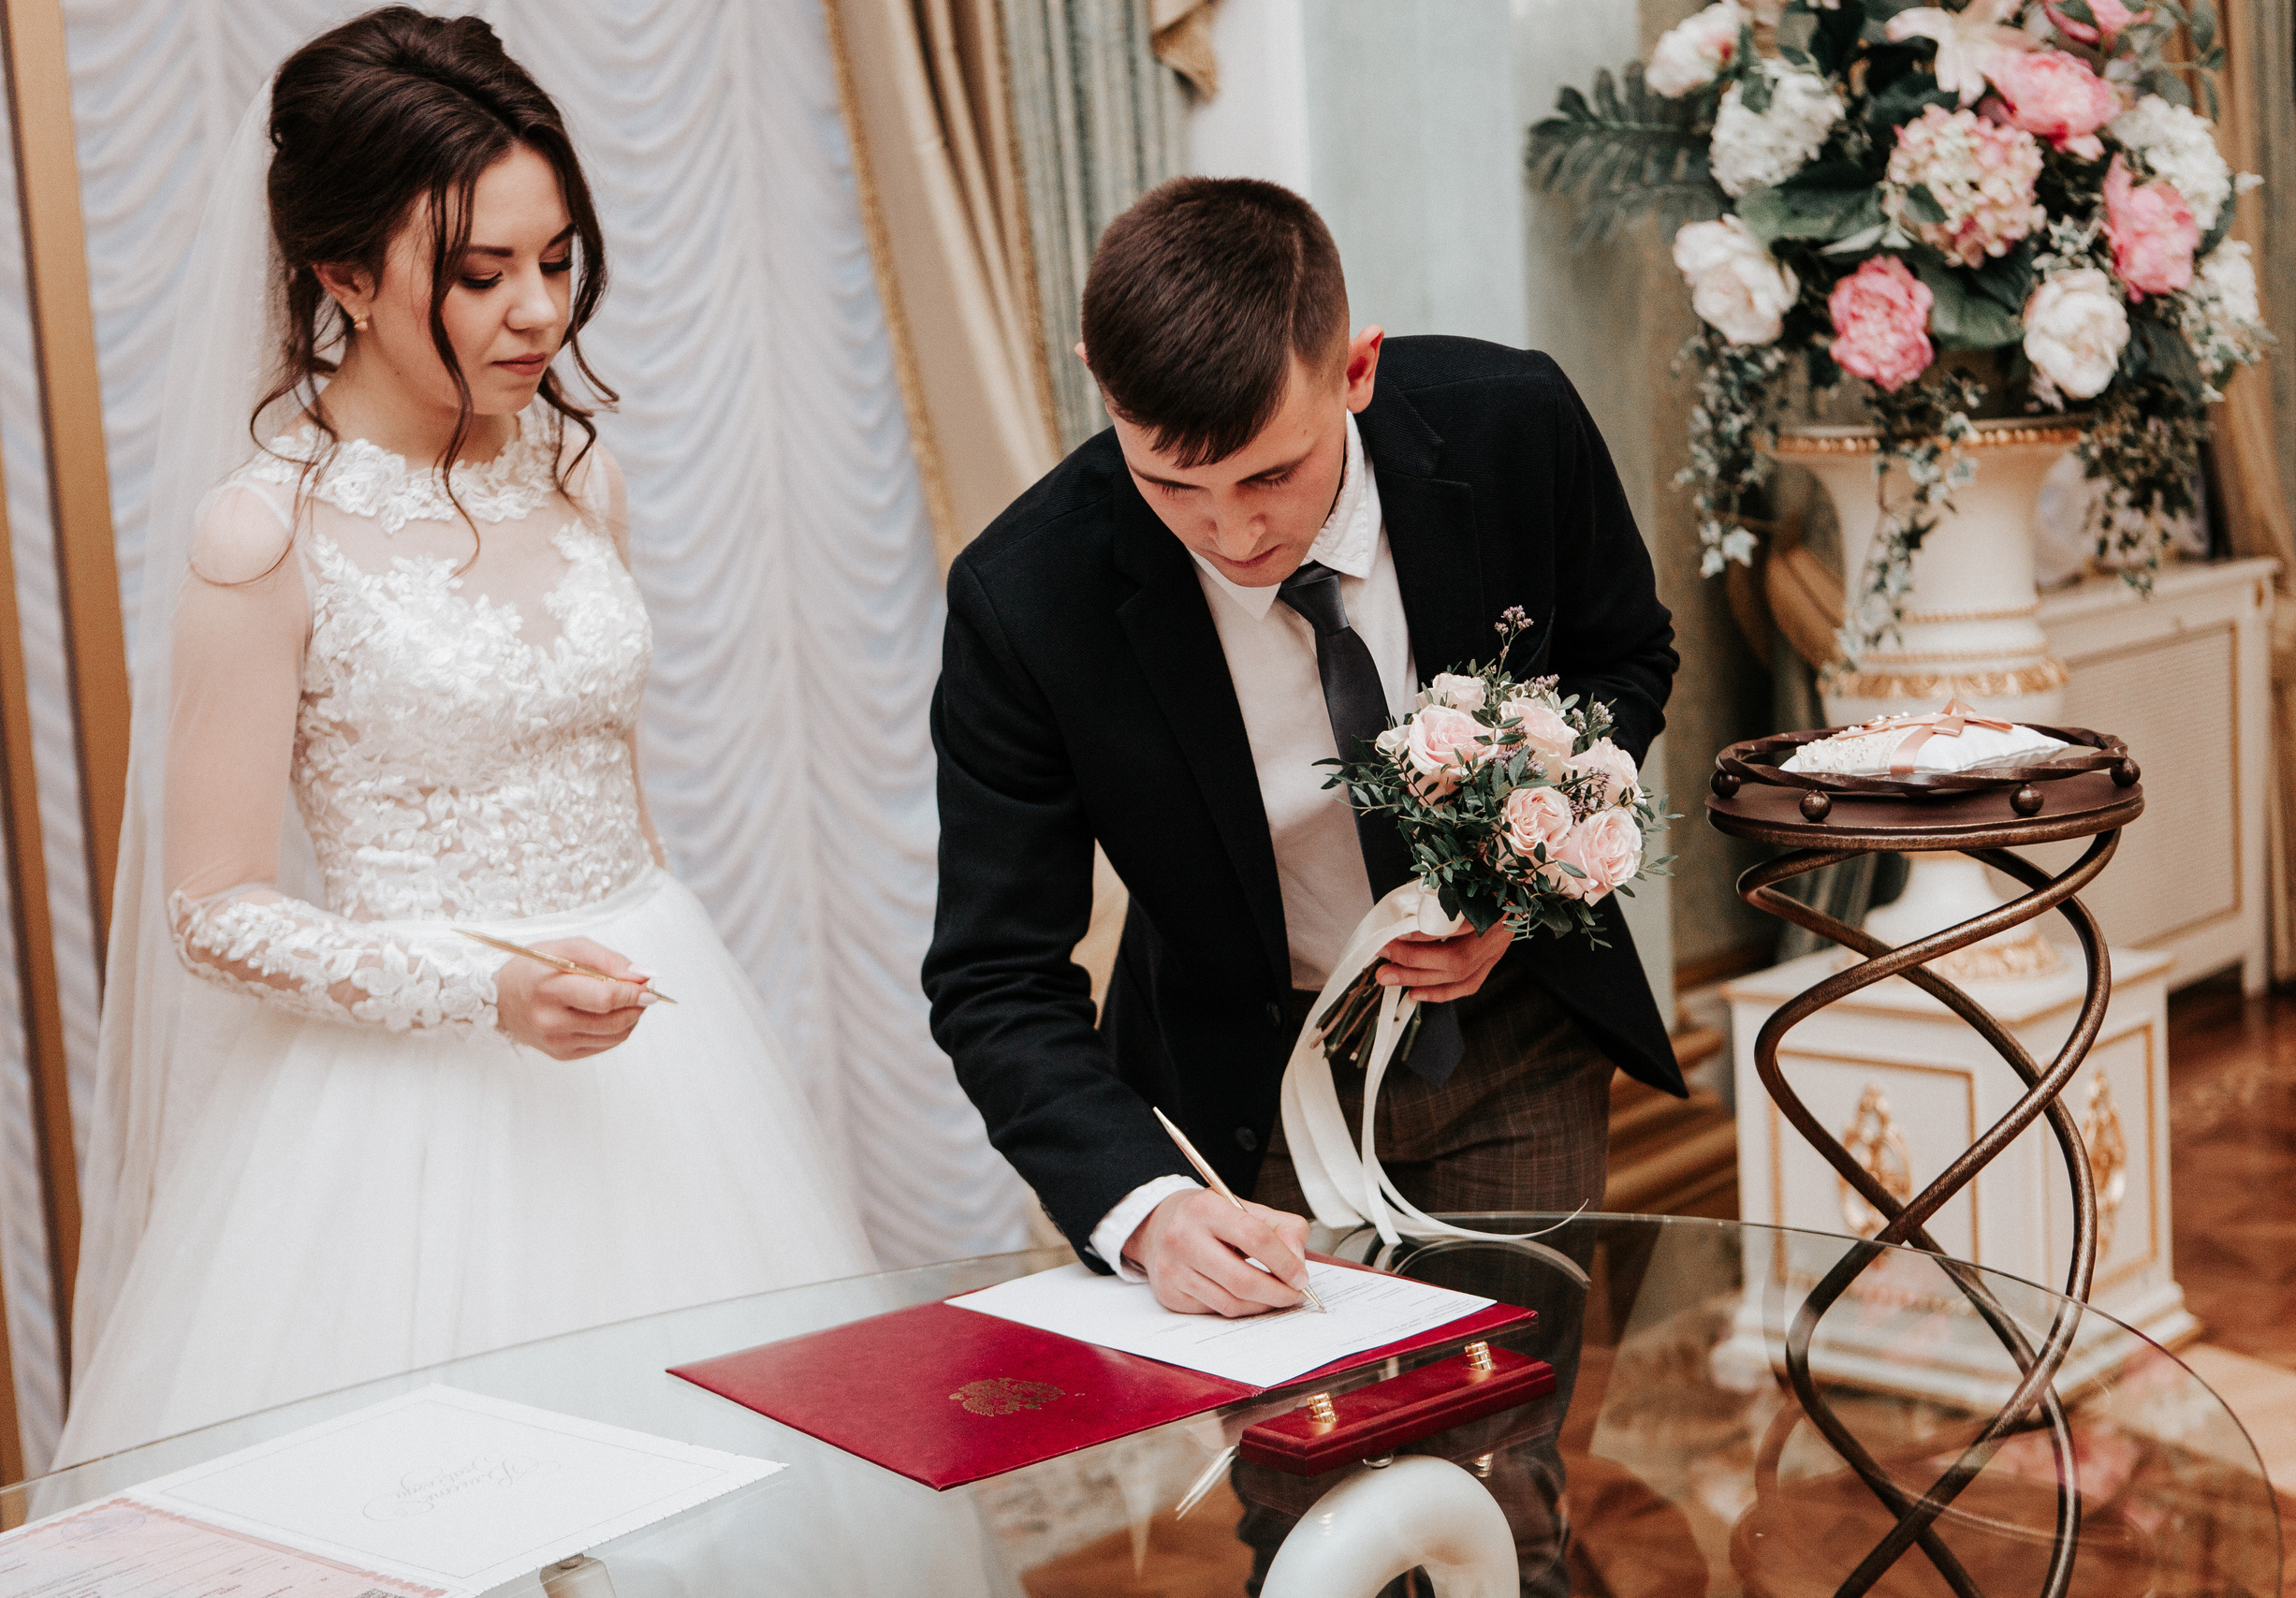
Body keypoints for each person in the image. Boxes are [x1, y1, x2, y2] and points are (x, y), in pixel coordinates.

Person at [58, 7, 868, 1465]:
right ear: (345, 276)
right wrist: (480, 984)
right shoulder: (263, 531)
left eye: (557, 259)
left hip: (656, 1059)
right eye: (482, 275)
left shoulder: (577, 470)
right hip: (407, 1112)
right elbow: (212, 911)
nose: (539, 313)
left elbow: (612, 782)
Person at [923, 177, 1683, 1320]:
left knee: (1507, 1421)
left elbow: (1623, 658)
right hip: (1236, 1095)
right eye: (1170, 484)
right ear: (1097, 381)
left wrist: (1519, 883)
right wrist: (1148, 1210)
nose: (1232, 533)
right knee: (1282, 1435)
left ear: (1357, 370)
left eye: (1270, 473)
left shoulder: (1513, 424)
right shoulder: (1025, 597)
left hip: (1516, 1045)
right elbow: (994, 975)